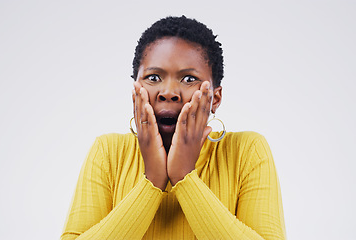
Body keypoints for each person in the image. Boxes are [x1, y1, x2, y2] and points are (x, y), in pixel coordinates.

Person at [61, 16, 286, 240]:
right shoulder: (108, 151)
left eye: (189, 78)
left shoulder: (248, 151)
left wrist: (184, 176)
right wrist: (152, 181)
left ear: (215, 99)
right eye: (153, 77)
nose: (168, 92)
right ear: (135, 90)